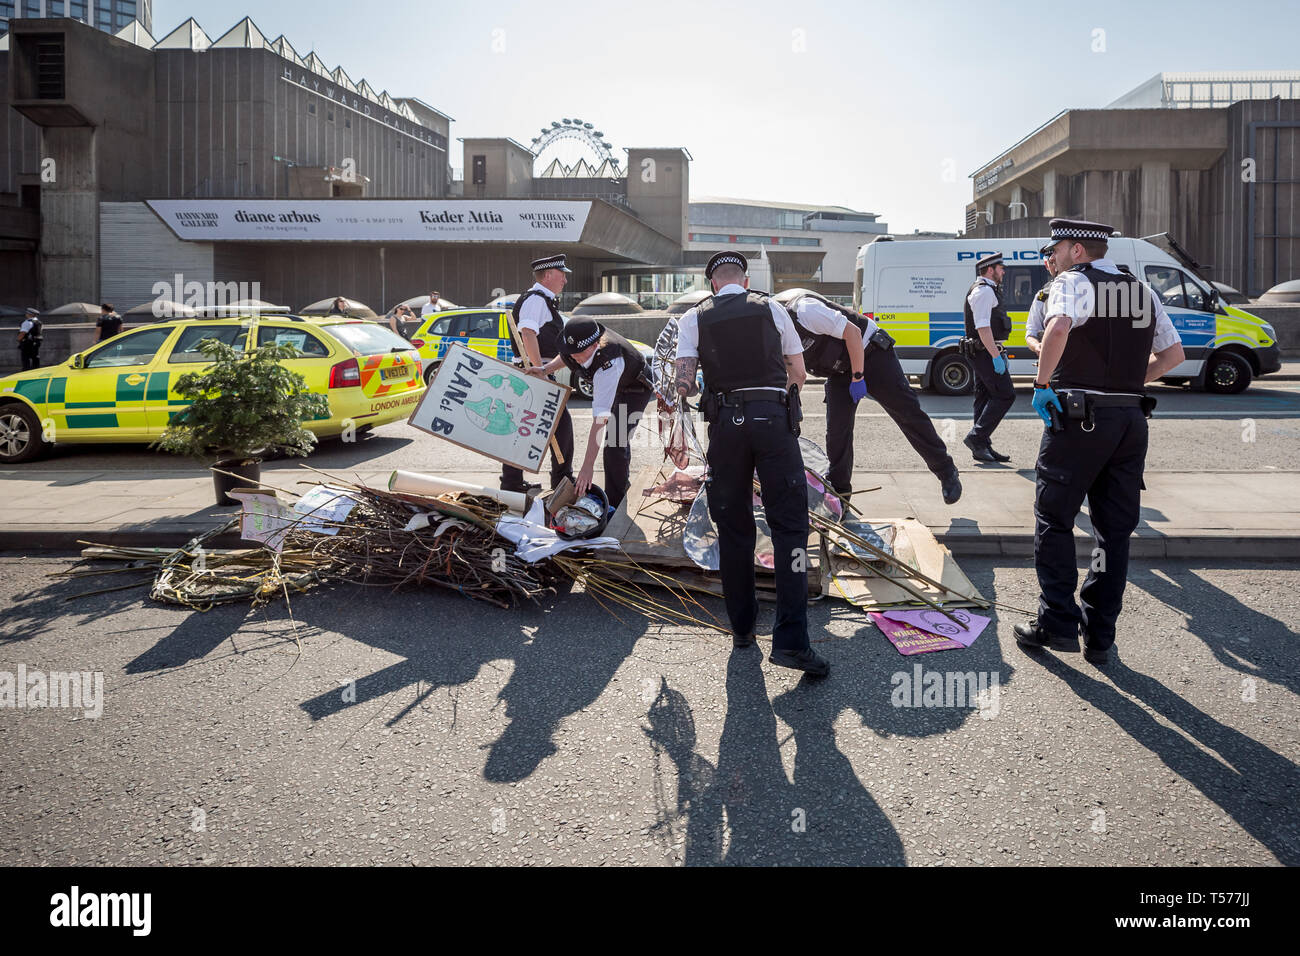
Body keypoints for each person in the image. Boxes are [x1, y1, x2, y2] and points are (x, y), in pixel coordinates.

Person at [1014, 219, 1185, 666]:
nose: (1054, 255)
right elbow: (1173, 355)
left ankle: (1056, 623)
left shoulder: (1072, 281)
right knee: (1114, 530)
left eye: (1057, 248)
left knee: (1053, 517)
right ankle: (1101, 636)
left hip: (1080, 420)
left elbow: (1058, 328)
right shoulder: (1141, 291)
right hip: (1130, 420)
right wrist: (1128, 385)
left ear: (1075, 249)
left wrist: (1042, 383)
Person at [674, 251, 829, 677]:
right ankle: (792, 642)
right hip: (774, 424)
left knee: (734, 526)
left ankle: (742, 628)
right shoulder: (773, 307)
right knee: (790, 528)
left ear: (712, 285)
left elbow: (683, 383)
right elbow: (797, 370)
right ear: (743, 281)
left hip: (726, 428)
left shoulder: (694, 317)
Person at [777, 288, 961, 505]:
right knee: (837, 432)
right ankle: (840, 496)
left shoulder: (806, 311)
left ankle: (946, 471)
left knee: (908, 414)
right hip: (839, 371)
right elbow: (796, 374)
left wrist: (858, 377)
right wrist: (786, 407)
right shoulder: (775, 334)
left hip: (870, 352)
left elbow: (853, 333)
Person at [526, 319, 654, 509]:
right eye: (573, 353)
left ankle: (615, 503)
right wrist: (544, 369)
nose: (575, 358)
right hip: (612, 384)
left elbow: (599, 420)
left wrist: (587, 467)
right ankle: (621, 483)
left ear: (595, 344)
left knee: (615, 442)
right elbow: (565, 356)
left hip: (634, 387)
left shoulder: (609, 364)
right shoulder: (576, 346)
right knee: (614, 441)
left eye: (580, 354)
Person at [500, 256, 575, 495]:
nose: (565, 279)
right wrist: (538, 371)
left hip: (533, 373)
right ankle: (562, 482)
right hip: (534, 374)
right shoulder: (536, 300)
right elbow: (528, 333)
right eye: (561, 273)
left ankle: (512, 484)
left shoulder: (541, 299)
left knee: (522, 429)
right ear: (548, 275)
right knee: (562, 429)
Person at [962, 253, 1015, 462]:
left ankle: (982, 446)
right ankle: (977, 437)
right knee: (1005, 394)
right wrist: (996, 356)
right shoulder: (983, 291)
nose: (1003, 271)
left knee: (983, 398)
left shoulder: (987, 290)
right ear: (990, 269)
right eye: (1001, 268)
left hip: (982, 351)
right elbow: (982, 327)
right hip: (983, 352)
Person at [1024, 242, 1060, 356]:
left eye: (1058, 261)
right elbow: (1031, 332)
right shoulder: (1042, 295)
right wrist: (1036, 346)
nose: (1056, 266)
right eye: (1052, 262)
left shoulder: (1085, 287)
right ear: (1046, 265)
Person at [17, 307, 42, 371]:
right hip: (36, 342)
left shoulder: (27, 322)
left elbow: (23, 333)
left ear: (30, 314)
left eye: (27, 313)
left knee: (25, 358)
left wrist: (19, 339)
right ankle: (36, 371)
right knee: (35, 357)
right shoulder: (38, 322)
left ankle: (26, 372)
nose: (26, 314)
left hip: (27, 343)